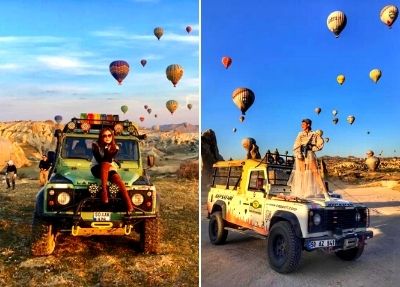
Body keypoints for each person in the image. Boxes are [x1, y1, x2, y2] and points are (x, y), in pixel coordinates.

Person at [91, 127, 134, 213]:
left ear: (112, 136)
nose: (107, 137)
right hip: (96, 168)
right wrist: (107, 151)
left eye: (109, 135)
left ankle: (129, 205)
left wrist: (112, 152)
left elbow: (109, 160)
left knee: (118, 178)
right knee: (105, 164)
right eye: (104, 136)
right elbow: (100, 160)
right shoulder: (95, 145)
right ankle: (104, 192)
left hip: (108, 169)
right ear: (101, 137)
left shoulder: (115, 147)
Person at [288, 119, 326, 198]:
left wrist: (312, 147)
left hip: (310, 155)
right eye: (301, 124)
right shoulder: (300, 134)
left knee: (316, 173)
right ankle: (303, 192)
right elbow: (296, 145)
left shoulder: (314, 134)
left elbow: (320, 143)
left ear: (308, 125)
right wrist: (298, 154)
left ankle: (325, 192)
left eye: (303, 124)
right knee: (301, 174)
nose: (302, 126)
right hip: (301, 156)